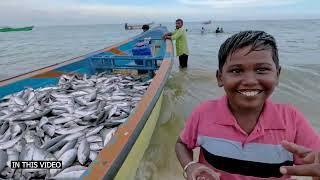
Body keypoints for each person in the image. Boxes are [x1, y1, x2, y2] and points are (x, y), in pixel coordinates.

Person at [175, 30, 320, 180]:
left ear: (277, 75)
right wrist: (190, 165)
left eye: (261, 70)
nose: (250, 80)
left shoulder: (292, 120)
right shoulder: (203, 113)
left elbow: (315, 163)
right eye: (236, 70)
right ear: (220, 78)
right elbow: (182, 144)